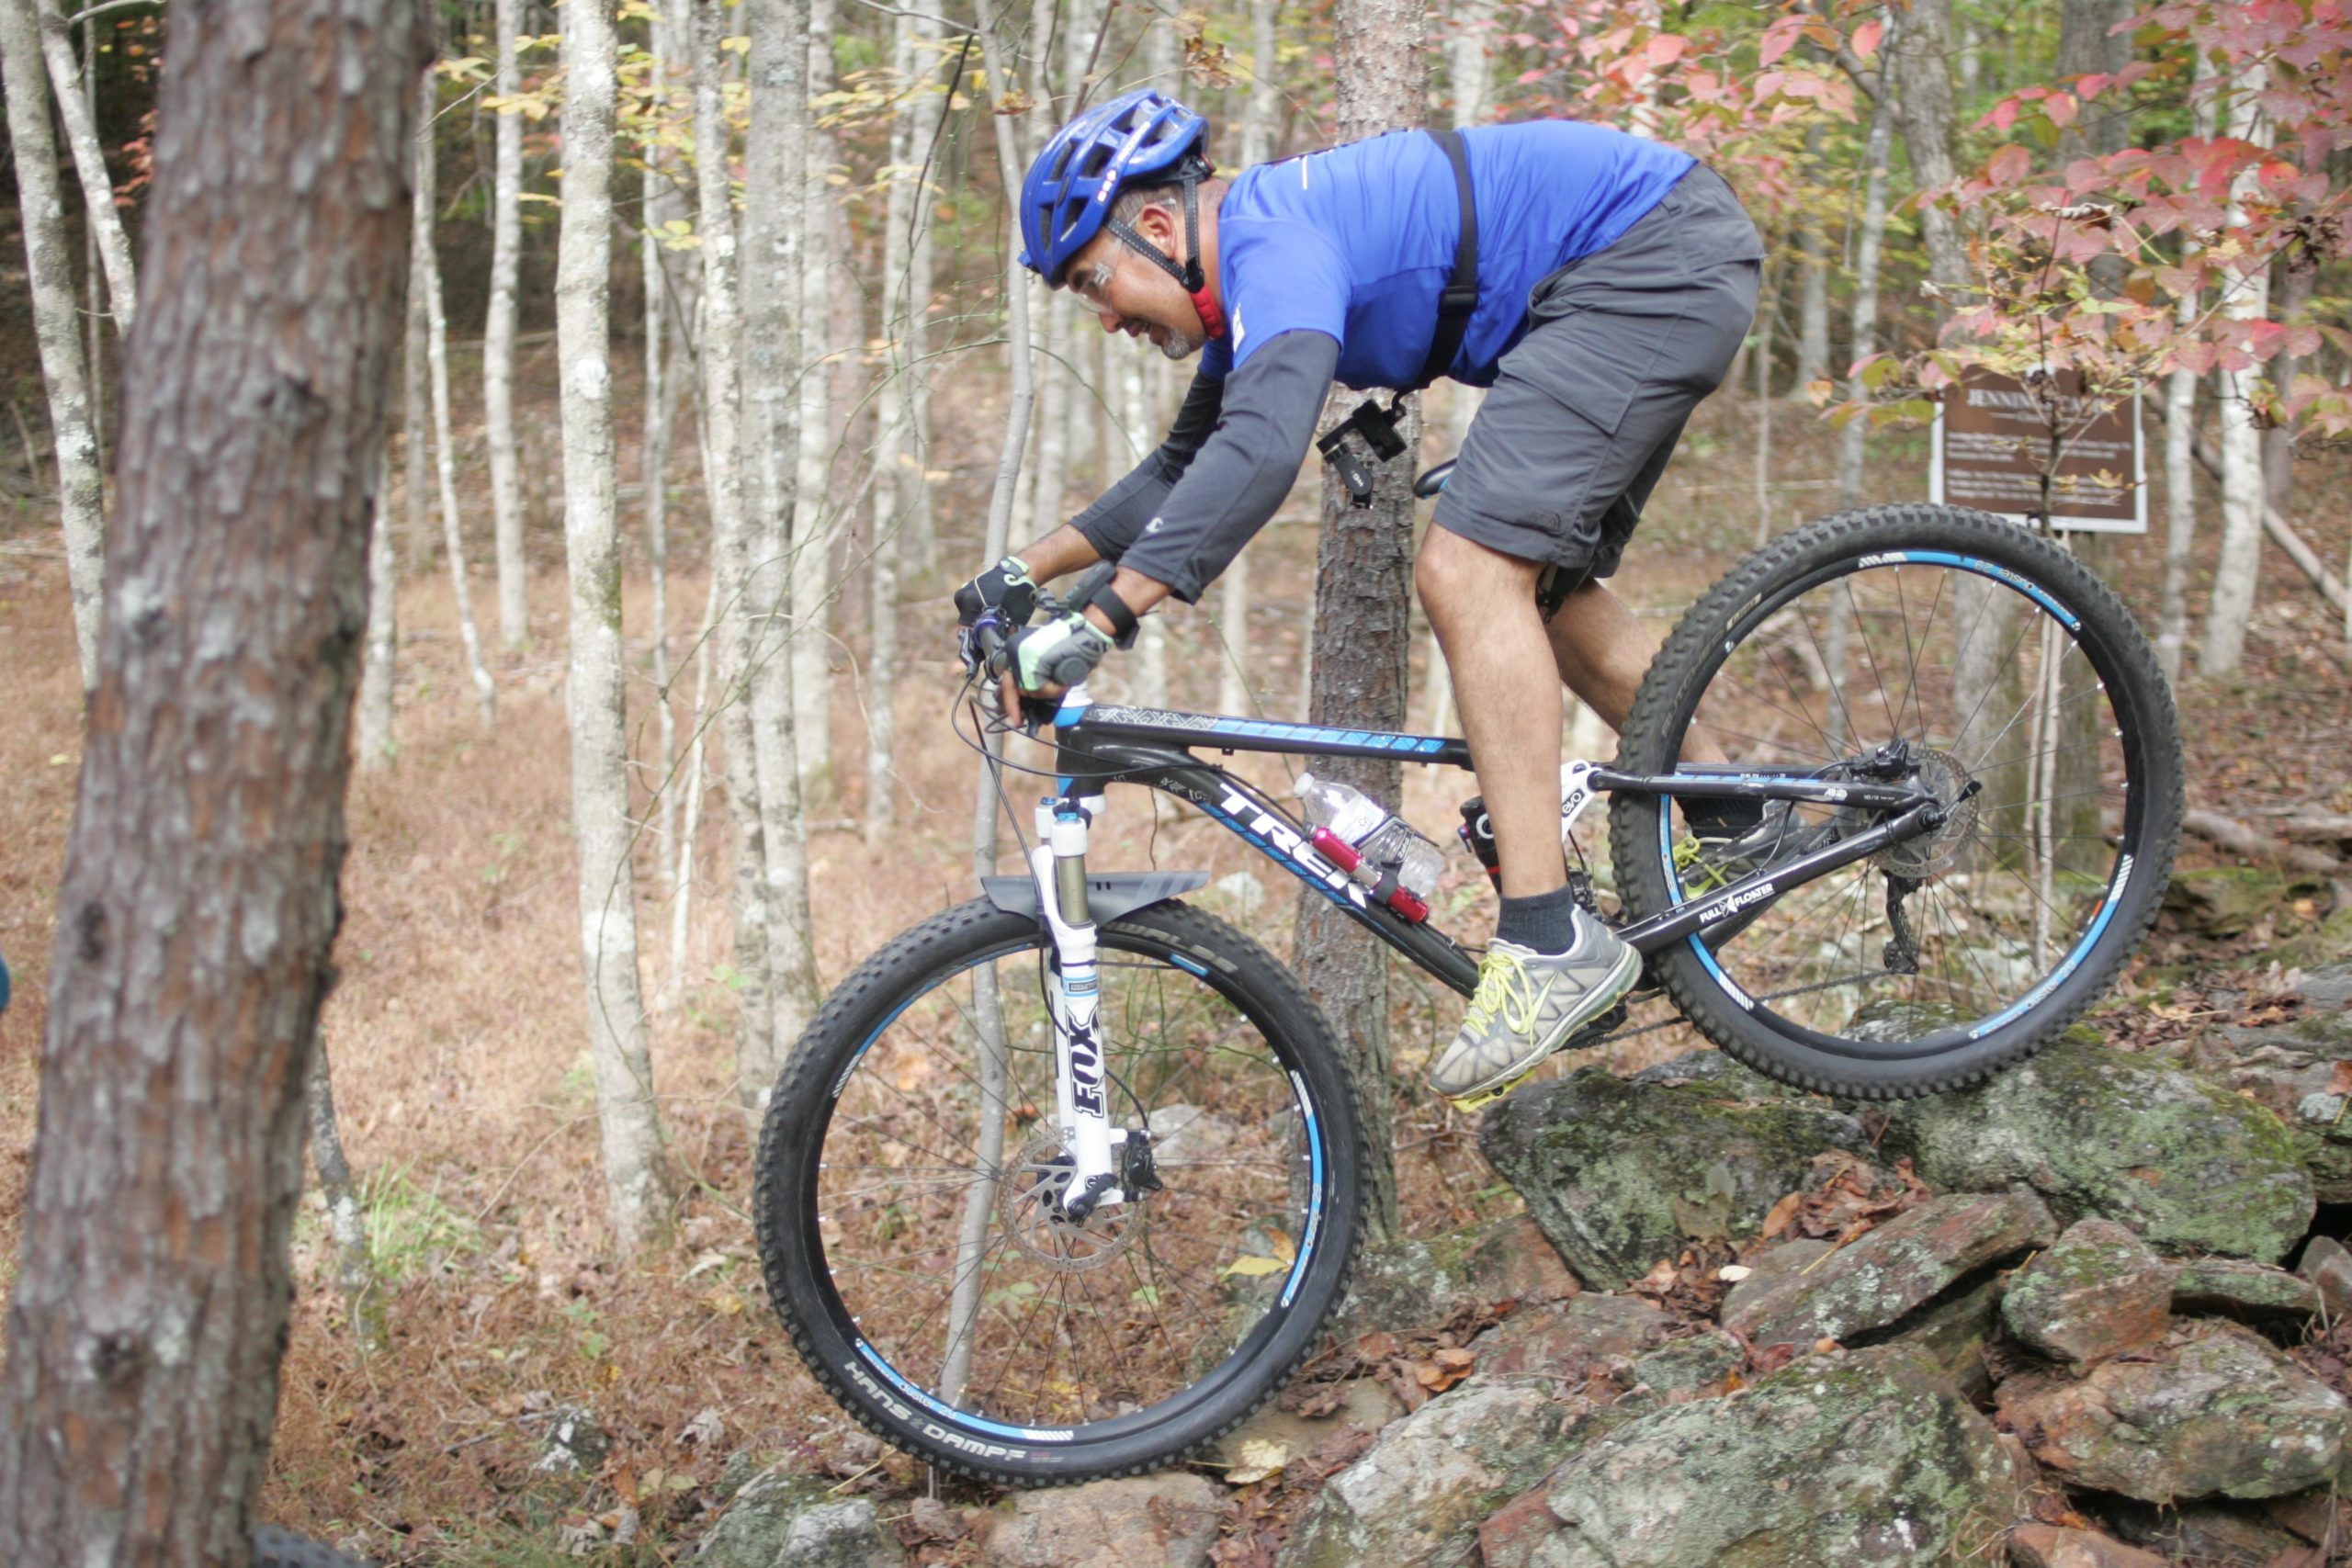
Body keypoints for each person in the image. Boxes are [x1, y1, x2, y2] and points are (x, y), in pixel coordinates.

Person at [956, 89, 1762, 1107]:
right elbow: (1183, 465)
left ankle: (1548, 937)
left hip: (1644, 258)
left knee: (1468, 570)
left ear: (1155, 227)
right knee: (1530, 591)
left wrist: (1102, 620)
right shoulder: (1248, 275)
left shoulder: (1271, 249)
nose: (1108, 317)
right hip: (1633, 265)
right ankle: (1739, 808)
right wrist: (1023, 576)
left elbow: (1257, 454)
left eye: (1095, 282)